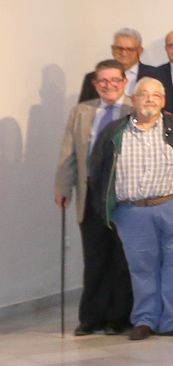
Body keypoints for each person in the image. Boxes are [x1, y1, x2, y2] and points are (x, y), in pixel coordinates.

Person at [86, 77, 173, 340]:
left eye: (156, 95)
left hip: (171, 207)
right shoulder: (114, 132)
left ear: (164, 101)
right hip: (131, 212)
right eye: (143, 94)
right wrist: (106, 208)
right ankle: (145, 319)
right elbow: (97, 170)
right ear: (132, 100)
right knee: (141, 268)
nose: (149, 99)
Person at [55, 60, 133, 335]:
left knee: (121, 258)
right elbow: (69, 154)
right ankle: (91, 317)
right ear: (95, 84)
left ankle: (118, 317)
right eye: (103, 81)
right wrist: (62, 188)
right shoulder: (81, 112)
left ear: (124, 81)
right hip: (90, 194)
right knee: (95, 257)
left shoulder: (135, 109)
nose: (109, 85)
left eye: (115, 80)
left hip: (123, 196)